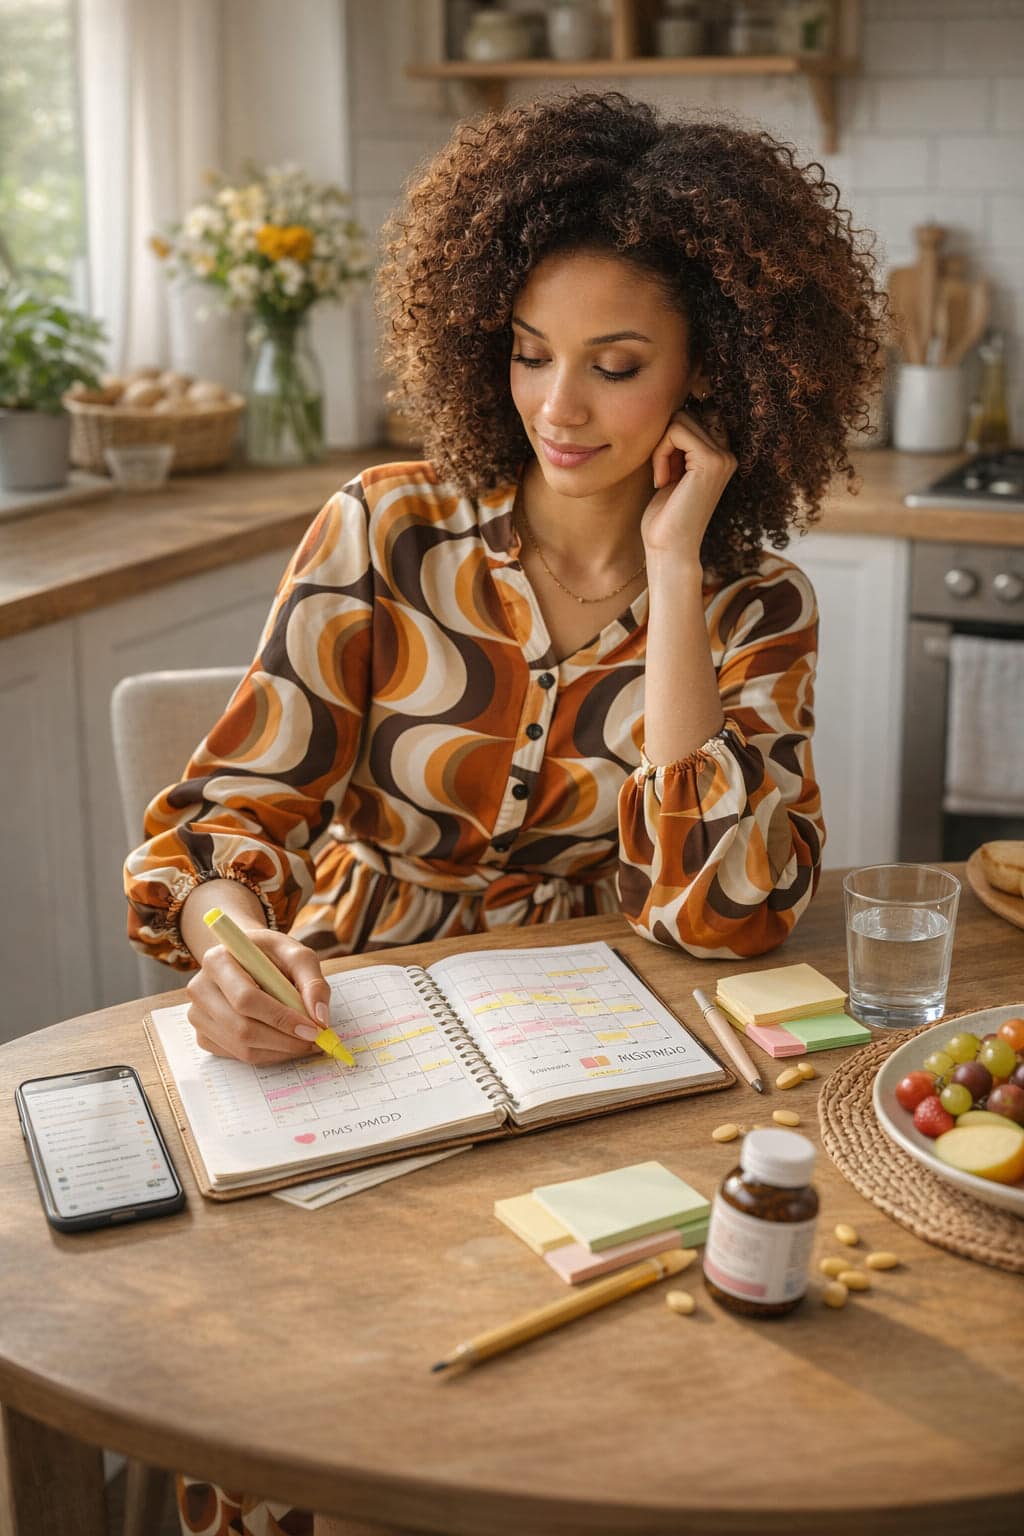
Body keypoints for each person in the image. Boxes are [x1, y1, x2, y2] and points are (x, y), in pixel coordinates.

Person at [125, 92, 883, 1536]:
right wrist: (229, 945)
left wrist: (675, 572)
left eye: (617, 365)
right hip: (355, 1012)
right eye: (532, 353)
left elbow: (724, 913)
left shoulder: (755, 606)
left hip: (593, 1046)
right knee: (307, 1398)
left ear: (714, 372)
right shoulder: (387, 527)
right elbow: (222, 822)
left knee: (579, 1411)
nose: (558, 408)